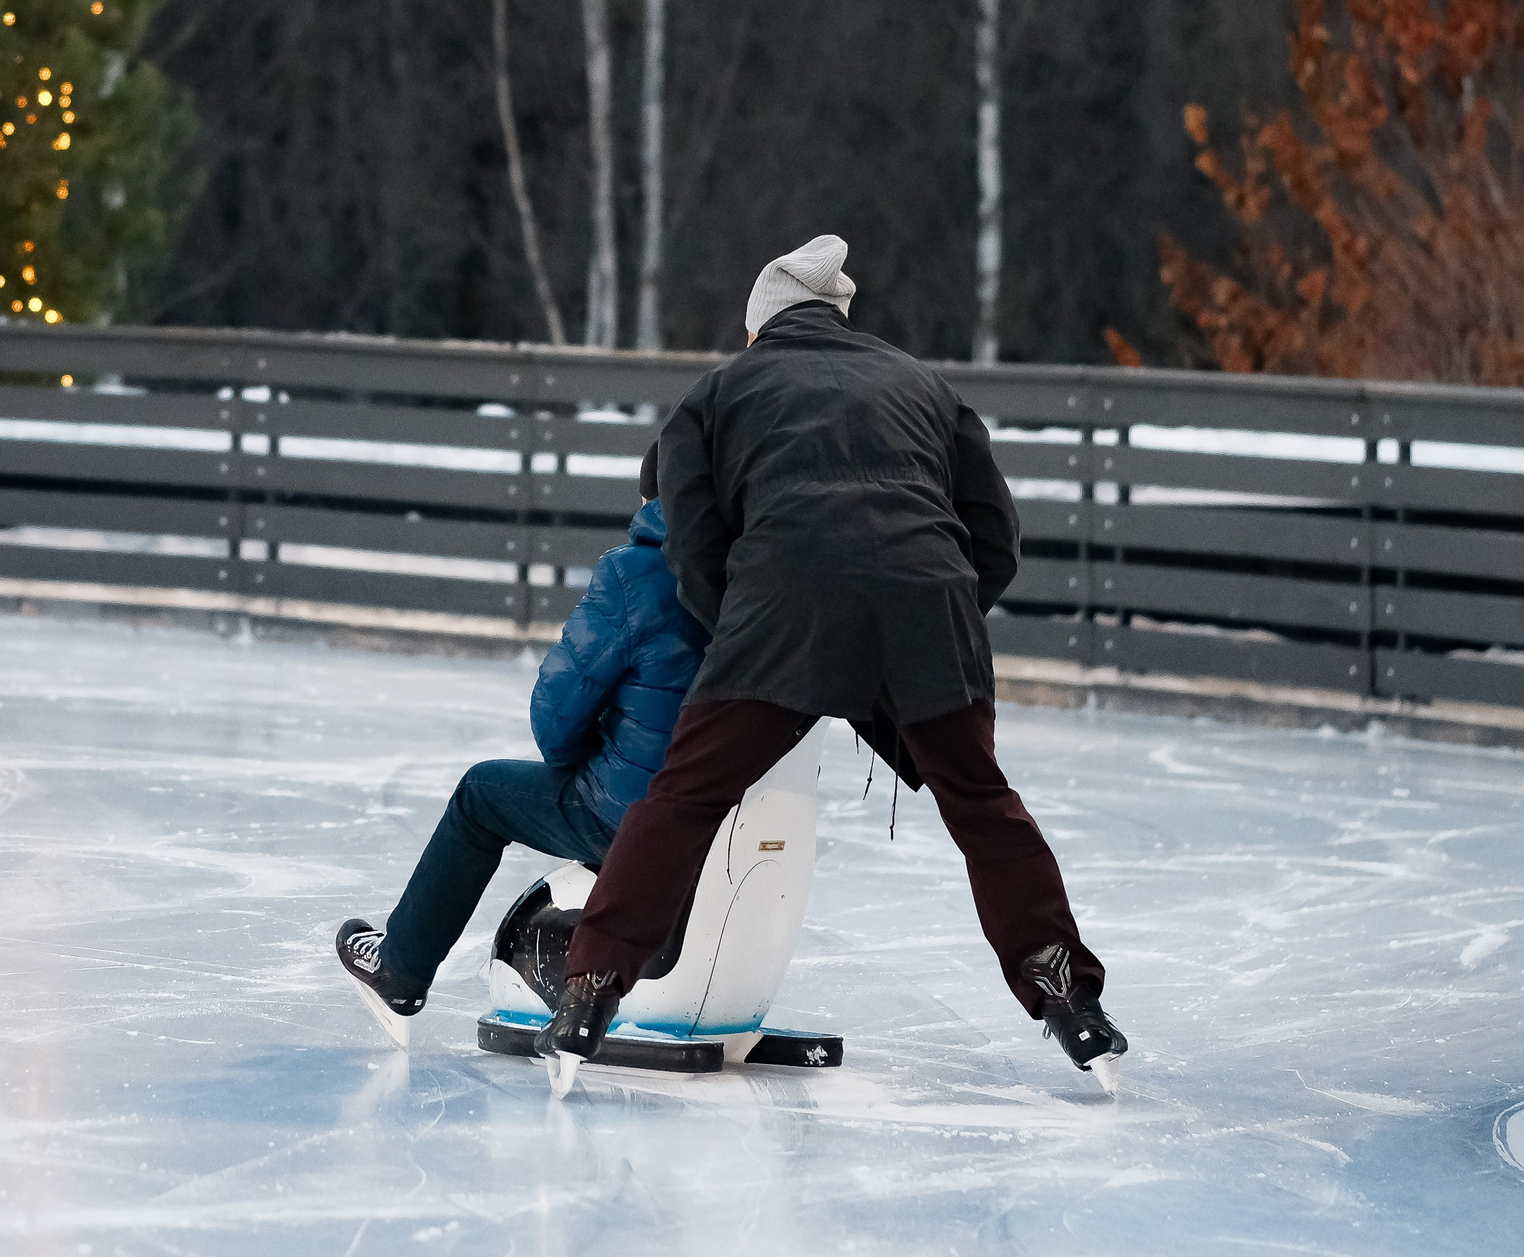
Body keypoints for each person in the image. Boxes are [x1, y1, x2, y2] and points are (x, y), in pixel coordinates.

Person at [536, 234, 1127, 1084]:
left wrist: (745, 627)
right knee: (983, 806)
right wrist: (932, 618)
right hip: (929, 610)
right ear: (838, 319)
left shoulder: (717, 392)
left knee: (684, 795)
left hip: (781, 615)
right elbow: (996, 537)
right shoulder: (924, 385)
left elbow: (691, 543)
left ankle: (590, 990)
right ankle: (1069, 996)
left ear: (759, 327)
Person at [336, 443, 708, 1044]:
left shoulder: (634, 575)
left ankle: (401, 968)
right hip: (729, 809)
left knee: (481, 794)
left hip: (635, 813)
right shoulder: (758, 576)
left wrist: (573, 767)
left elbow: (559, 708)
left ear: (650, 498)